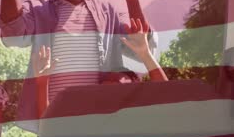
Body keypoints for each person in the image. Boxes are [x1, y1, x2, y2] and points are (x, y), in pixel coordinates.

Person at [0, 0, 158, 133]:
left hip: (99, 123)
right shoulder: (39, 10)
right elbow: (12, 35)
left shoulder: (107, 13)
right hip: (54, 123)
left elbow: (142, 46)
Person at [33, 18, 168, 118]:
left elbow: (167, 96)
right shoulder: (90, 116)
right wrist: (41, 83)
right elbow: (49, 128)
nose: (112, 81)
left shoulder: (140, 114)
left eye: (119, 84)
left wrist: (145, 54)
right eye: (107, 83)